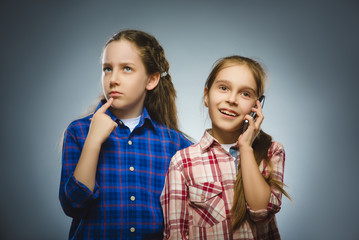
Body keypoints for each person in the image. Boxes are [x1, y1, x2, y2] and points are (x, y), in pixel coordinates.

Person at [59, 29, 192, 239]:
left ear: (151, 80)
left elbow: (182, 219)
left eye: (127, 69)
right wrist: (93, 141)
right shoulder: (79, 132)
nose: (113, 79)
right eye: (107, 69)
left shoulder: (175, 144)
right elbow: (73, 205)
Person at [160, 55, 291, 239]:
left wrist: (245, 147)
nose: (232, 99)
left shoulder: (272, 151)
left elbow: (261, 212)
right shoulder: (183, 162)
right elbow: (175, 234)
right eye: (223, 88)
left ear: (257, 105)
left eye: (245, 93)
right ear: (206, 95)